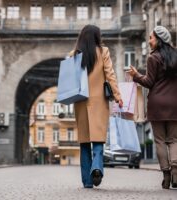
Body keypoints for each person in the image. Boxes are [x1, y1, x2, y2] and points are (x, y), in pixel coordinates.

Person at [71, 24, 123, 188]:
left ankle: (87, 182)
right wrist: (118, 96)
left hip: (80, 102)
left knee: (84, 142)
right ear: (97, 37)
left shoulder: (74, 55)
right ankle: (97, 168)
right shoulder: (103, 52)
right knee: (98, 139)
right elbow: (110, 75)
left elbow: (69, 81)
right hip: (99, 101)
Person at [128, 26, 177, 189]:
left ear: (159, 39)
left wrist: (136, 76)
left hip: (157, 104)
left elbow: (149, 82)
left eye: (151, 37)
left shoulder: (153, 58)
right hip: (174, 103)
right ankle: (176, 172)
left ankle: (166, 175)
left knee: (160, 141)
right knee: (174, 140)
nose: (149, 41)